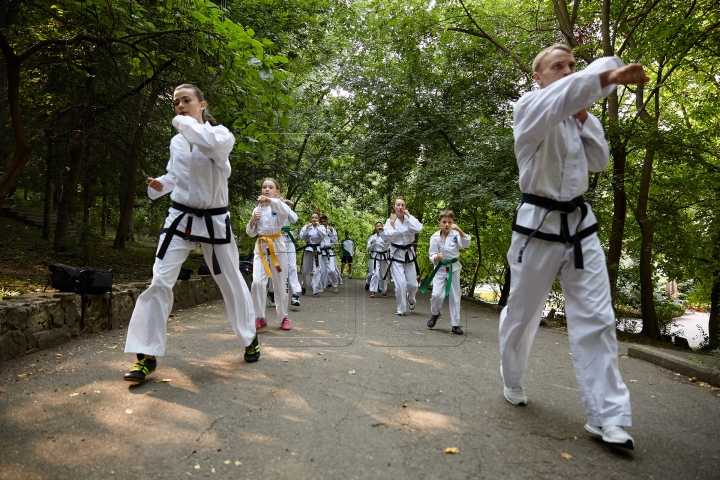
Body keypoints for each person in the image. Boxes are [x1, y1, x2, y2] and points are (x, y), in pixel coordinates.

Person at [499, 44, 649, 449]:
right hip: (538, 228)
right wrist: (610, 76)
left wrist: (585, 117)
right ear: (539, 76)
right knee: (523, 313)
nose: (566, 71)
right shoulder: (530, 107)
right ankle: (511, 375)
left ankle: (608, 416)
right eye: (557, 66)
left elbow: (599, 160)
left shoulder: (581, 116)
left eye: (571, 66)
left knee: (598, 318)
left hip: (581, 230)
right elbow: (564, 96)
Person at [123, 84, 259, 383]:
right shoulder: (176, 142)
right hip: (181, 217)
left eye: (186, 101)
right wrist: (161, 183)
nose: (180, 106)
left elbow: (204, 138)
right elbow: (176, 175)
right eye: (175, 103)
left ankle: (249, 337)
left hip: (213, 220)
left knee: (232, 281)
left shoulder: (221, 135)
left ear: (202, 104)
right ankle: (146, 355)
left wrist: (184, 122)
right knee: (159, 280)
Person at [246, 178, 293, 331]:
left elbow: (288, 213)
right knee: (257, 283)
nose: (266, 189)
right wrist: (253, 220)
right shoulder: (257, 209)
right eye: (264, 187)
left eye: (270, 187)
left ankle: (283, 317)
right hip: (260, 247)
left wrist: (275, 201)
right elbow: (250, 232)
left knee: (280, 284)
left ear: (277, 192)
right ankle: (259, 317)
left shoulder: (279, 206)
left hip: (277, 246)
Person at [422, 210, 471, 334]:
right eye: (444, 222)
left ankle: (455, 324)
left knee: (455, 296)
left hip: (453, 268)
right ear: (439, 223)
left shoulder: (456, 235)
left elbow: (466, 244)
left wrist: (459, 230)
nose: (447, 224)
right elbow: (431, 253)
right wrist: (435, 258)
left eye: (449, 222)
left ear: (453, 223)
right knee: (437, 295)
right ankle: (435, 313)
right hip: (439, 268)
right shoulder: (434, 237)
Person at [383, 196, 423, 315]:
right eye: (398, 205)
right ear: (394, 207)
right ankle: (401, 309)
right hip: (396, 253)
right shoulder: (389, 221)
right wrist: (392, 223)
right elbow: (388, 237)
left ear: (405, 207)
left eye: (402, 205)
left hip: (408, 253)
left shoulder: (410, 219)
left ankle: (411, 298)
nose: (400, 207)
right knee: (400, 283)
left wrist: (409, 216)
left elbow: (418, 228)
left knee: (413, 284)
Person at [280, 199, 303, 307]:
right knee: (277, 267)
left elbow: (294, 219)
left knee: (292, 266)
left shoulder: (285, 208)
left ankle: (295, 294)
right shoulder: (269, 206)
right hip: (275, 239)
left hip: (288, 238)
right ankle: (271, 291)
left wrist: (287, 207)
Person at [299, 212, 327, 297]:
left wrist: (318, 227)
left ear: (318, 219)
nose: (314, 219)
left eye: (316, 218)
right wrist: (307, 228)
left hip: (317, 250)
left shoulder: (321, 227)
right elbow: (301, 237)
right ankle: (304, 286)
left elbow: (323, 236)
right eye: (313, 218)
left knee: (317, 270)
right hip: (308, 248)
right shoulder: (307, 227)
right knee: (305, 270)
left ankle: (315, 290)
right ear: (311, 219)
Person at [366, 221, 389, 298]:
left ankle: (384, 290)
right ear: (375, 228)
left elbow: (388, 245)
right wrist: (372, 243)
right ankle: (373, 290)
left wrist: (383, 233)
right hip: (375, 256)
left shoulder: (386, 236)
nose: (379, 227)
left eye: (380, 226)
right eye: (377, 226)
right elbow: (368, 248)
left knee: (383, 275)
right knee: (375, 273)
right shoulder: (372, 237)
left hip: (384, 256)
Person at [319, 215, 340, 293]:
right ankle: (321, 287)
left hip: (330, 252)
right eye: (322, 222)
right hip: (321, 252)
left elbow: (335, 241)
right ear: (320, 222)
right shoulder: (318, 230)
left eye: (325, 221)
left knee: (332, 270)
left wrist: (331, 232)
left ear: (327, 221)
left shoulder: (331, 230)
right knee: (322, 271)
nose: (323, 223)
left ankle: (335, 285)